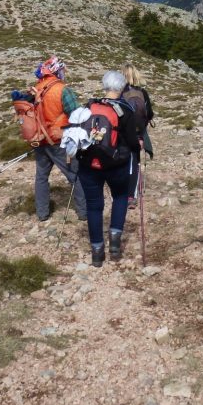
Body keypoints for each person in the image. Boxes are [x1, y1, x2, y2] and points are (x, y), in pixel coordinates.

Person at [10, 55, 87, 222]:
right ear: (56, 70)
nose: (63, 72)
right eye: (62, 69)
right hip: (59, 140)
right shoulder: (61, 89)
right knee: (75, 175)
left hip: (40, 140)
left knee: (41, 177)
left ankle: (42, 213)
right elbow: (77, 115)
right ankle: (84, 212)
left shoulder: (36, 89)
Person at [74, 70, 140, 267]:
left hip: (88, 164)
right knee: (120, 197)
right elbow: (131, 142)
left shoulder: (89, 106)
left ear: (104, 86)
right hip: (116, 164)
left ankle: (96, 253)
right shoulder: (125, 109)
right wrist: (137, 148)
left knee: (94, 206)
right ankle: (115, 245)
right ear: (121, 88)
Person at [120, 64, 154, 209]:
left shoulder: (119, 92)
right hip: (137, 133)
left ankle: (120, 191)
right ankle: (131, 196)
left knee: (121, 161)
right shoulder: (142, 93)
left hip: (121, 133)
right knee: (135, 162)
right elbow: (149, 113)